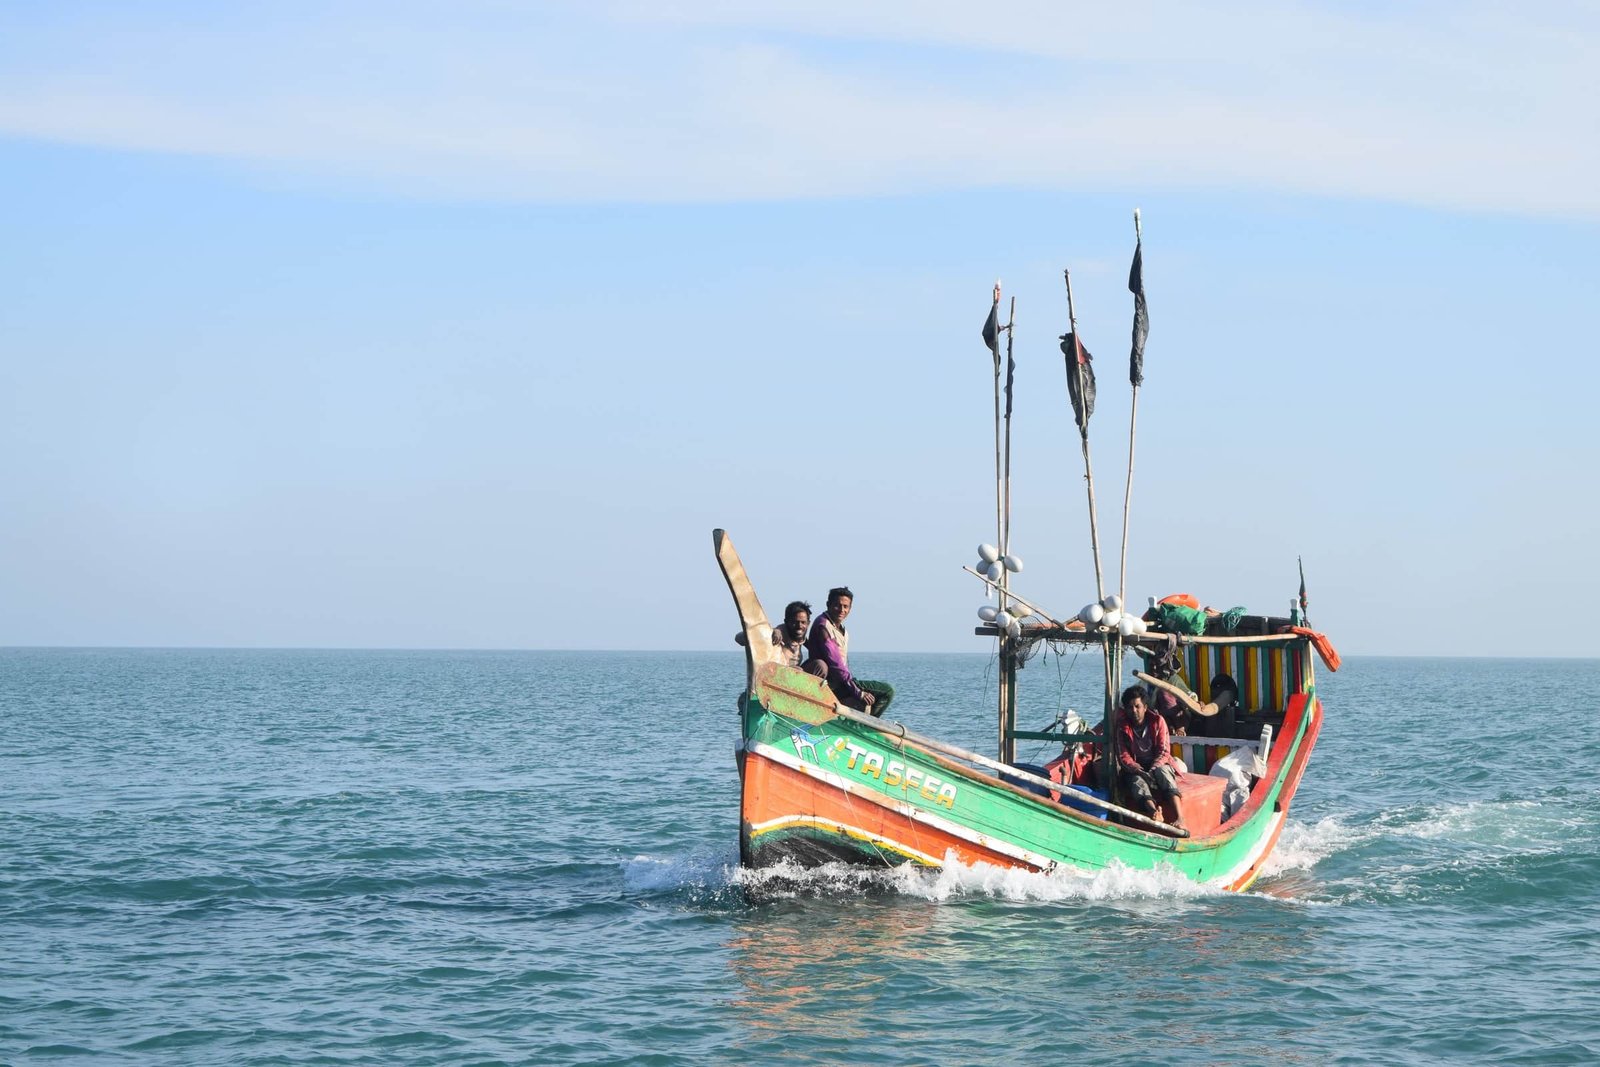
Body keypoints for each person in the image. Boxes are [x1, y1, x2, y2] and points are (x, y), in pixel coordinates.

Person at [1114, 685, 1186, 832]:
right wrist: (1136, 768)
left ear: (1145, 707)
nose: (1133, 711)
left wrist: (1153, 768)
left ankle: (1180, 817)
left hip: (1158, 763)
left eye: (1137, 706)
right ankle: (1154, 812)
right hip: (1137, 767)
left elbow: (1164, 751)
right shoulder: (1122, 727)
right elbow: (1123, 755)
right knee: (1136, 782)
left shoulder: (1157, 721)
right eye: (1129, 707)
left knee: (1163, 773)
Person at [806, 586, 877, 713]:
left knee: (870, 699)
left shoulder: (842, 629)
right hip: (832, 683)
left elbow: (844, 663)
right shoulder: (823, 626)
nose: (841, 610)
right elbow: (836, 664)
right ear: (828, 604)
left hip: (842, 681)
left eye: (846, 606)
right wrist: (857, 692)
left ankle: (865, 726)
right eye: (837, 605)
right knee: (887, 691)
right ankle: (869, 728)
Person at [734, 601, 828, 677]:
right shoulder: (779, 633)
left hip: (797, 681)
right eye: (794, 622)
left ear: (808, 623)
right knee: (798, 671)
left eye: (803, 622)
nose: (799, 626)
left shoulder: (801, 637)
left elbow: (818, 651)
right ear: (786, 622)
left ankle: (810, 696)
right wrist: (768, 633)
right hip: (776, 677)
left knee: (820, 665)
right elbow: (738, 638)